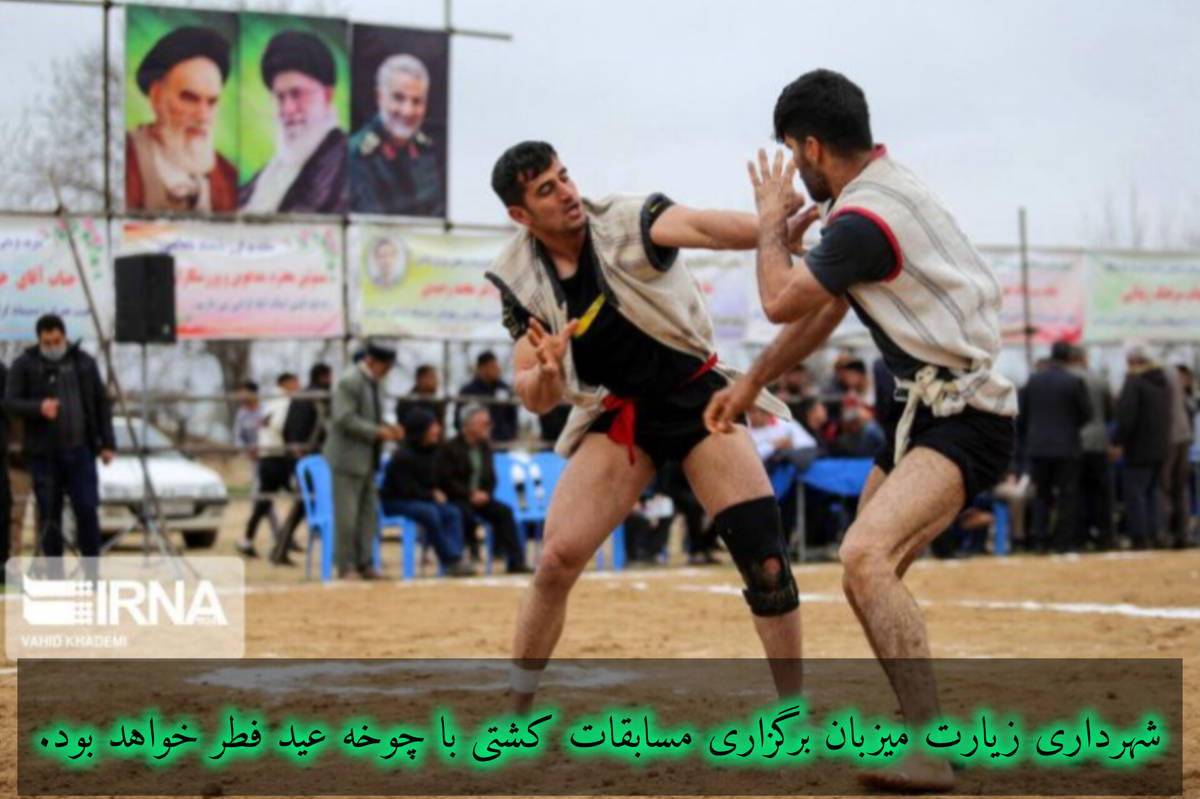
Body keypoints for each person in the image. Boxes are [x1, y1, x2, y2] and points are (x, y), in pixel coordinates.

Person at [704, 70, 1017, 792]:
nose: (793, 168)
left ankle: (929, 749)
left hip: (966, 417)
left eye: (792, 152)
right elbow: (825, 309)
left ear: (811, 146)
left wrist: (768, 224)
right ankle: (928, 728)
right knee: (866, 574)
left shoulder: (862, 219)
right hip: (928, 413)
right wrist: (751, 383)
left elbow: (780, 299)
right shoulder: (878, 193)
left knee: (864, 556)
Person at [485, 140, 807, 713]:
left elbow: (702, 227)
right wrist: (549, 373)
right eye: (546, 190)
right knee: (555, 560)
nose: (567, 193)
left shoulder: (624, 220)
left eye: (564, 176)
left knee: (767, 563)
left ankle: (793, 711)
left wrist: (772, 230)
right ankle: (516, 713)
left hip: (700, 399)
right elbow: (532, 394)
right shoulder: (521, 278)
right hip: (622, 415)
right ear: (520, 213)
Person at [5, 315, 115, 580]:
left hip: (81, 452)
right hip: (44, 456)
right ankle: (55, 578)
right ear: (39, 340)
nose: (53, 346)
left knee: (87, 511)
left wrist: (107, 443)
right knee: (49, 517)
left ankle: (92, 576)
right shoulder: (25, 365)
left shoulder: (83, 363)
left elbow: (101, 403)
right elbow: (10, 403)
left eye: (57, 341)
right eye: (47, 342)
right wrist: (38, 408)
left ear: (64, 337)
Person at [126, 26, 238, 212]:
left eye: (211, 102)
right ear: (156, 97)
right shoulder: (126, 159)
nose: (203, 116)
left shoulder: (228, 178)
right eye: (190, 98)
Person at [240, 30, 348, 213]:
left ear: (328, 96)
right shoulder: (272, 171)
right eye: (279, 97)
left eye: (297, 94)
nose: (288, 109)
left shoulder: (345, 164)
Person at [323, 342, 403, 579]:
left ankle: (365, 563)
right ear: (372, 361)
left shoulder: (375, 383)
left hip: (369, 459)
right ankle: (345, 565)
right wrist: (377, 432)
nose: (387, 371)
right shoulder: (350, 381)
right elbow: (344, 418)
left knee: (368, 515)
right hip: (347, 459)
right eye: (385, 366)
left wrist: (389, 428)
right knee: (346, 516)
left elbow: (372, 416)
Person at [380, 407, 475, 576]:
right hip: (395, 502)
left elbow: (438, 482)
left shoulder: (434, 453)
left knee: (452, 512)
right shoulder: (402, 457)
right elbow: (405, 490)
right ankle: (449, 560)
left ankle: (456, 556)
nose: (437, 430)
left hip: (421, 500)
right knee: (429, 512)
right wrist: (430, 494)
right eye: (432, 426)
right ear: (421, 429)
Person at [436, 404, 530, 573]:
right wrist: (470, 494)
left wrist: (486, 494)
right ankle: (461, 561)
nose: (489, 427)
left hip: (481, 498)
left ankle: (515, 562)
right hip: (457, 498)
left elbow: (491, 478)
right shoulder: (449, 448)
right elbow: (446, 480)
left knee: (504, 512)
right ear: (469, 425)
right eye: (484, 423)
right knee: (462, 513)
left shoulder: (486, 448)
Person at [1018, 340, 1092, 553]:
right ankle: (1064, 541)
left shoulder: (1033, 380)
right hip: (1067, 447)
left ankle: (1039, 541)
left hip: (1038, 447)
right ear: (1069, 358)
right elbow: (1086, 415)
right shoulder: (1074, 381)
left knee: (1041, 495)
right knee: (1067, 496)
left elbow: (1022, 415)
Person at [349, 54, 444, 216]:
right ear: (379, 96)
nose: (407, 111)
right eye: (398, 98)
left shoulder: (430, 151)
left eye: (417, 101)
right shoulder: (356, 155)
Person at [273, 363, 332, 564]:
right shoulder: (315, 398)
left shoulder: (301, 397)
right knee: (303, 505)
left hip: (304, 460)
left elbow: (286, 430)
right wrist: (300, 453)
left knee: (304, 506)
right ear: (323, 377)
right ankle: (280, 549)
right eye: (328, 377)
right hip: (311, 461)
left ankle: (280, 549)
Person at [1114, 345, 1172, 549]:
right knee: (1153, 492)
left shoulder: (1134, 382)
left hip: (1138, 447)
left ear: (1134, 362)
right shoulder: (1163, 381)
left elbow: (1126, 418)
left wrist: (1117, 442)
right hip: (1161, 446)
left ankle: (1140, 537)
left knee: (1135, 493)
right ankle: (1157, 533)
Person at [238, 373, 299, 557]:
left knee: (263, 503)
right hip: (277, 457)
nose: (298, 385)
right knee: (300, 499)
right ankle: (283, 542)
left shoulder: (270, 402)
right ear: (286, 383)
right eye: (295, 382)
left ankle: (250, 540)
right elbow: (280, 426)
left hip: (268, 457)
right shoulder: (283, 402)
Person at [1069, 346, 1115, 549]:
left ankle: (1079, 536)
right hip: (1099, 441)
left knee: (1076, 492)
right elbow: (1110, 412)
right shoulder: (1100, 380)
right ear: (1085, 358)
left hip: (1074, 442)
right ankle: (1105, 537)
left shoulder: (1068, 379)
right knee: (1102, 493)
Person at [1161, 362, 1195, 548]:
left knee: (1165, 487)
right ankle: (1182, 533)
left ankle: (1167, 533)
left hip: (1169, 439)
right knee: (1180, 489)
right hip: (1184, 438)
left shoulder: (1164, 384)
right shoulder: (1185, 397)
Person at [458, 351, 518, 443]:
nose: (497, 369)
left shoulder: (505, 389)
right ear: (482, 368)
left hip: (502, 441)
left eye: (496, 365)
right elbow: (460, 419)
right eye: (492, 366)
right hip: (477, 443)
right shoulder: (468, 391)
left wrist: (511, 435)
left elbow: (512, 416)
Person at [395, 364, 447, 430]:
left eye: (436, 378)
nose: (436, 382)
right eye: (432, 377)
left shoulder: (438, 402)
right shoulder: (406, 401)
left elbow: (441, 427)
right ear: (421, 379)